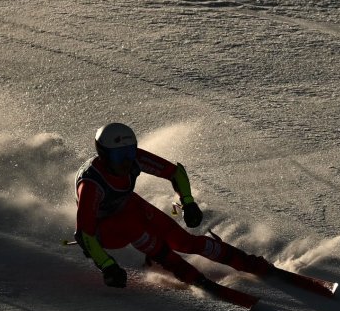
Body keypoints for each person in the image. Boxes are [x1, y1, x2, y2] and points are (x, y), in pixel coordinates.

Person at [74, 122, 271, 289]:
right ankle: (181, 269)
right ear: (104, 155)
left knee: (184, 241)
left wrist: (188, 202)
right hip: (105, 230)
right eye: (119, 156)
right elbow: (85, 234)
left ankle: (246, 261)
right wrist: (107, 266)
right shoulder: (91, 185)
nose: (126, 161)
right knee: (134, 228)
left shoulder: (134, 159)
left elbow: (175, 172)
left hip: (127, 205)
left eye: (129, 152)